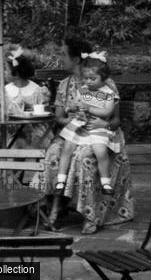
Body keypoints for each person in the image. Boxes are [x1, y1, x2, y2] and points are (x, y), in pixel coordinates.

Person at [33, 37, 134, 235]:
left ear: (77, 59)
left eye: (63, 54)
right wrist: (73, 120)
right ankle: (55, 207)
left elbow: (116, 121)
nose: (60, 58)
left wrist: (104, 123)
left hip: (103, 133)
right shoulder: (64, 85)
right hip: (74, 132)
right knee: (53, 152)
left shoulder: (107, 84)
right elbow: (59, 118)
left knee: (85, 157)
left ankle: (90, 214)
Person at [55, 51, 119, 196]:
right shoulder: (83, 90)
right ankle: (61, 180)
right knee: (67, 148)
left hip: (97, 127)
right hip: (80, 125)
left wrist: (90, 108)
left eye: (92, 78)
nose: (88, 81)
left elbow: (108, 112)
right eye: (86, 78)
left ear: (104, 78)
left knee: (100, 151)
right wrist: (73, 108)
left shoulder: (108, 93)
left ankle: (105, 182)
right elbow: (74, 104)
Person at [0, 47, 51, 148]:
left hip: (36, 133)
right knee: (16, 142)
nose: (4, 72)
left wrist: (46, 101)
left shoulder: (36, 90)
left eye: (6, 69)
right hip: (13, 133)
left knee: (38, 141)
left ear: (16, 72)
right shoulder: (5, 91)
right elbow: (3, 114)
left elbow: (43, 114)